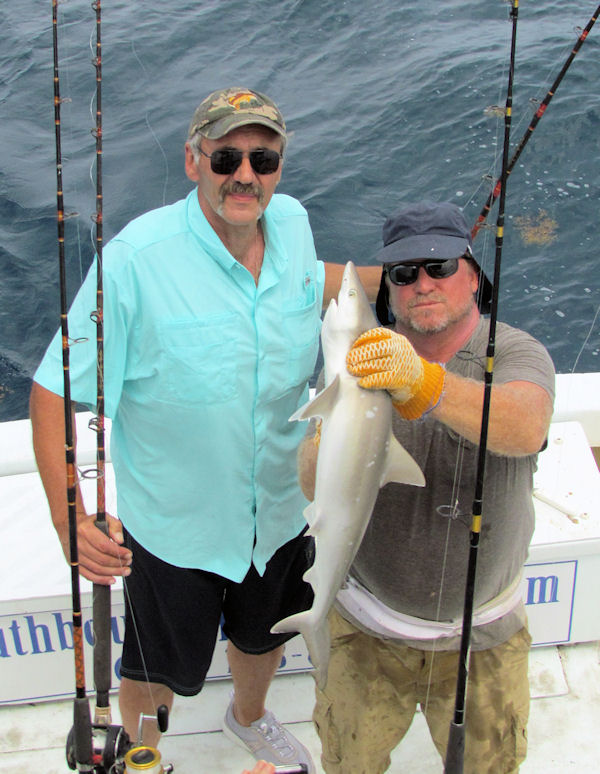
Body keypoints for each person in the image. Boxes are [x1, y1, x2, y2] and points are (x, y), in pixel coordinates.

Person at [30, 86, 379, 772]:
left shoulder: (296, 225)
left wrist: (405, 283)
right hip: (175, 530)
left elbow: (313, 281)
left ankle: (247, 716)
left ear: (279, 165)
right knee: (155, 669)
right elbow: (51, 390)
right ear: (193, 162)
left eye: (262, 157)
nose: (244, 174)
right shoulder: (134, 263)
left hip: (280, 510)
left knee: (262, 638)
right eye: (225, 157)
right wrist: (66, 513)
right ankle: (143, 752)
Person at [298, 201, 555, 773]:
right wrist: (330, 426)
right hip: (365, 630)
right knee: (349, 763)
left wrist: (424, 381)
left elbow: (524, 425)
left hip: (482, 640)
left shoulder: (513, 352)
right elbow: (310, 480)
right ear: (388, 286)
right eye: (404, 273)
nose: (422, 284)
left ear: (471, 273)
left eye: (438, 266)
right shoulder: (363, 357)